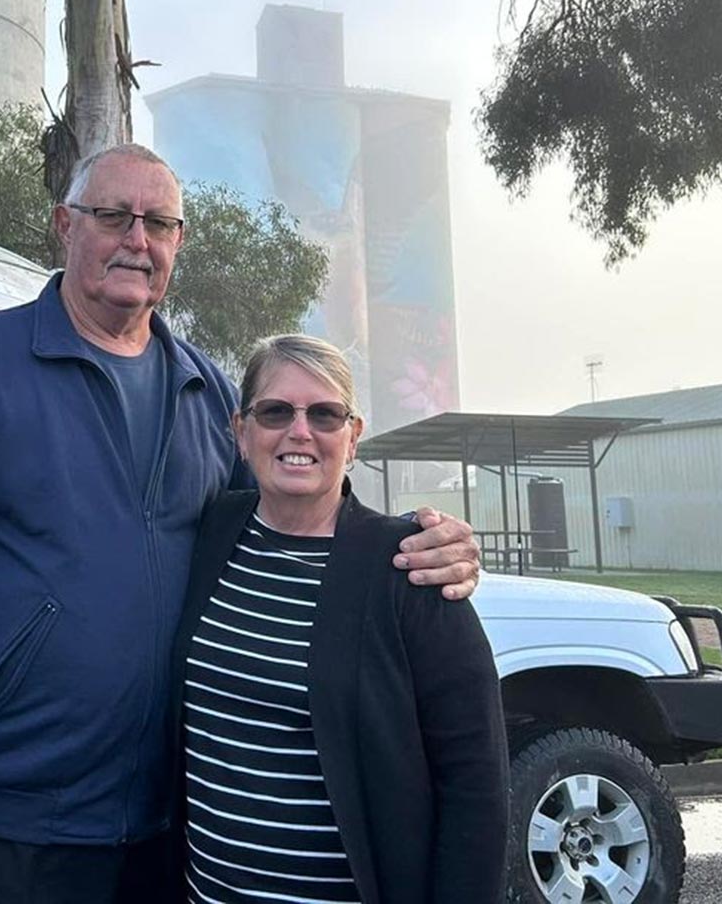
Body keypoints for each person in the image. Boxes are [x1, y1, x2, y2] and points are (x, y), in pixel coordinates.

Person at [0, 144, 482, 904]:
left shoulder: (208, 395)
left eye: (160, 223)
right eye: (113, 215)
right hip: (7, 827)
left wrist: (415, 539)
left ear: (177, 243)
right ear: (64, 225)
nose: (136, 240)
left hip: (169, 834)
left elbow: (291, 524)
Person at [173, 334, 507, 903]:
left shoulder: (410, 565)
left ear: (352, 438)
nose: (299, 432)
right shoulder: (209, 534)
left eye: (324, 414)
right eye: (276, 411)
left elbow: (475, 782)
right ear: (241, 430)